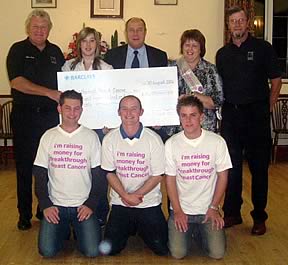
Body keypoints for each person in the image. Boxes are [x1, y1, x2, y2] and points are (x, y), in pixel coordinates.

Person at [216, 6, 282, 235]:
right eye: (232, 21)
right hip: (231, 117)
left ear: (248, 23)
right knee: (231, 168)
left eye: (240, 20)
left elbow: (276, 80)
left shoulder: (264, 49)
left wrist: (268, 106)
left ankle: (259, 217)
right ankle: (232, 213)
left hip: (257, 117)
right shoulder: (222, 54)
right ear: (228, 25)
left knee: (259, 169)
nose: (236, 24)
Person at [6, 9, 65, 230]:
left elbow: (65, 82)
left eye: (44, 27)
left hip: (51, 119)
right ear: (28, 28)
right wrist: (48, 92)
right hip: (25, 118)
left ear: (49, 29)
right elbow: (17, 82)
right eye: (35, 27)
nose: (40, 30)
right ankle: (24, 214)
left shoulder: (56, 52)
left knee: (50, 166)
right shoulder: (18, 50)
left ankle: (44, 208)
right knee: (25, 167)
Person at [33, 90, 101, 257]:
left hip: (82, 205)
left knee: (92, 252)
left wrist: (90, 204)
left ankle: (77, 230)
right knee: (47, 252)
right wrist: (46, 204)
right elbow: (39, 174)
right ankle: (64, 230)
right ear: (59, 109)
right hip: (56, 205)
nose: (72, 113)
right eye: (68, 108)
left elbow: (99, 176)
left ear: (82, 110)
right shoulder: (48, 136)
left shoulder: (91, 137)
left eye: (77, 108)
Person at [165, 95, 232, 259]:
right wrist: (178, 211)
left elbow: (223, 176)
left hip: (207, 210)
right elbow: (170, 180)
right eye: (184, 115)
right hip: (182, 210)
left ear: (201, 117)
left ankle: (201, 232)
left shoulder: (217, 142)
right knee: (178, 254)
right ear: (179, 117)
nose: (188, 120)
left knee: (217, 254)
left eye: (193, 115)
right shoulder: (171, 144)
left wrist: (214, 207)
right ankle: (191, 231)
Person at [101, 95, 168, 256]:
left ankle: (139, 228)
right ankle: (131, 227)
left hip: (147, 202)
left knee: (161, 249)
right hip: (120, 203)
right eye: (124, 108)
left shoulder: (154, 139)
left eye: (134, 108)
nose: (129, 113)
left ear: (141, 111)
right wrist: (125, 195)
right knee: (110, 250)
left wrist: (136, 195)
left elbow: (158, 175)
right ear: (118, 112)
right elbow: (109, 173)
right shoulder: (110, 139)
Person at [62, 26, 112, 226]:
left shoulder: (107, 69)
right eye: (84, 41)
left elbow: (111, 100)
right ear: (79, 44)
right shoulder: (68, 68)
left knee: (98, 172)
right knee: (78, 169)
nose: (88, 45)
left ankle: (99, 213)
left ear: (97, 45)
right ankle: (73, 211)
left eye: (92, 41)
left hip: (100, 130)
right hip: (76, 128)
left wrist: (110, 123)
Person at [104, 17, 169, 141]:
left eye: (139, 30)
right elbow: (108, 87)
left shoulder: (159, 56)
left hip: (151, 119)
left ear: (145, 32)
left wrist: (161, 116)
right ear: (126, 33)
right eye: (131, 30)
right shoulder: (112, 56)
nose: (135, 34)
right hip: (122, 118)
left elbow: (163, 89)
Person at [169, 29, 223, 133]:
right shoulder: (171, 68)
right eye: (187, 45)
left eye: (194, 46)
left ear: (201, 49)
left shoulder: (210, 70)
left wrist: (193, 96)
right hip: (178, 128)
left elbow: (217, 102)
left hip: (204, 127)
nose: (190, 49)